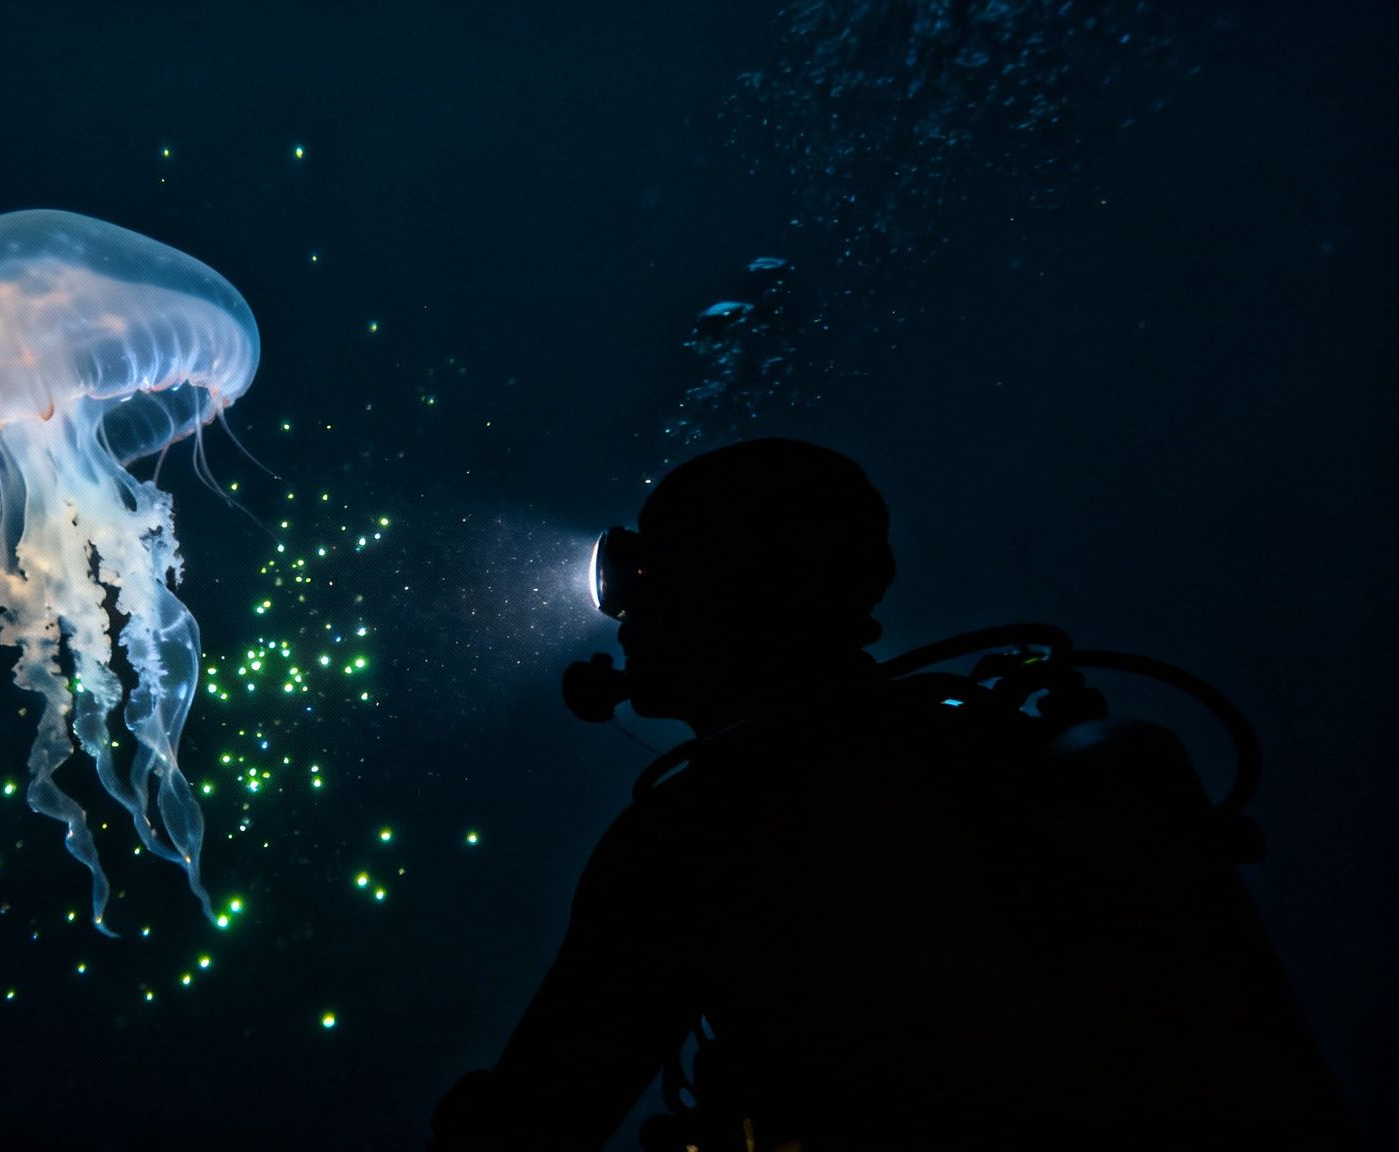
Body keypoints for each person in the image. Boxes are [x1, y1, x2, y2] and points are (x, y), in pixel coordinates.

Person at [429, 439, 1349, 1151]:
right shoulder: (991, 752)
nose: (622, 613)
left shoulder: (699, 838)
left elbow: (536, 1121)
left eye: (647, 577)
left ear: (731, 592)